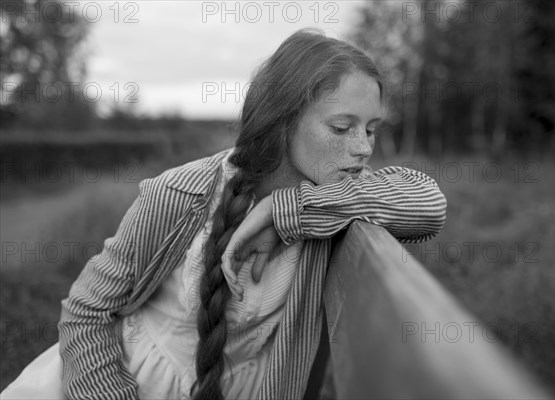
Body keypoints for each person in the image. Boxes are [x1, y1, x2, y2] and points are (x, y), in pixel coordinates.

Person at [1, 28, 447, 400]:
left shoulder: (335, 202)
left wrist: (286, 210)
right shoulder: (182, 193)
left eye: (371, 129)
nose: (363, 147)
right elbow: (87, 311)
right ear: (282, 119)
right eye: (341, 127)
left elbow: (429, 204)